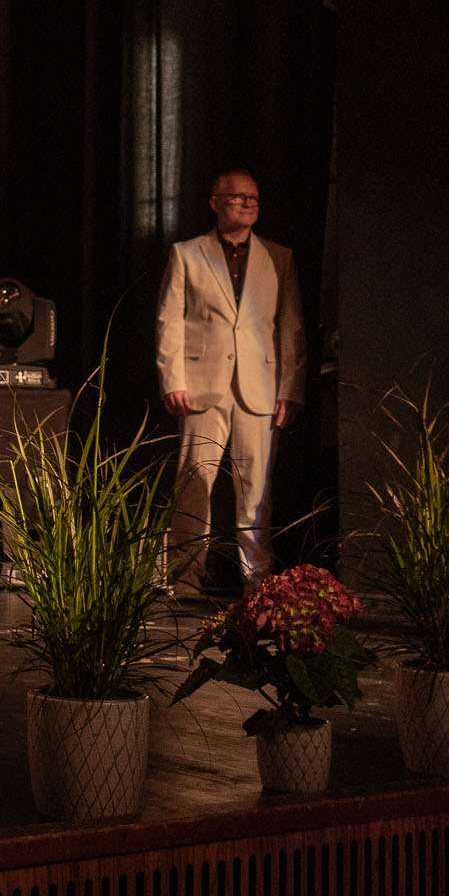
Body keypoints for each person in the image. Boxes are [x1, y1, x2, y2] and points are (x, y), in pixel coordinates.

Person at [155, 170, 306, 590]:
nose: (247, 203)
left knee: (256, 490)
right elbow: (169, 321)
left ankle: (258, 583)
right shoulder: (188, 253)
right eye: (238, 197)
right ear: (215, 203)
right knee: (193, 484)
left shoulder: (279, 256)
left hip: (260, 388)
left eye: (253, 197)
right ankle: (184, 581)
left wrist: (291, 389)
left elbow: (291, 327)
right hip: (201, 386)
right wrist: (172, 379)